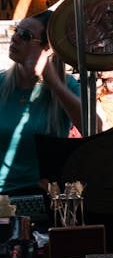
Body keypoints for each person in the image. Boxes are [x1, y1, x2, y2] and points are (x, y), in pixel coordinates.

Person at [0, 11, 82, 196]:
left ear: (48, 48)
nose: (15, 38)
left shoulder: (65, 85)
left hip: (45, 197)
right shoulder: (1, 83)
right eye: (16, 30)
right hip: (2, 199)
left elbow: (94, 128)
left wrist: (54, 84)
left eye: (25, 35)